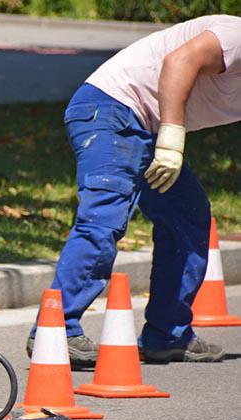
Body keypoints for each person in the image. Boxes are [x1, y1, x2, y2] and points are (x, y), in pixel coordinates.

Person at [29, 15, 241, 368]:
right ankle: (56, 330)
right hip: (110, 109)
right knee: (103, 218)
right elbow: (179, 61)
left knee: (187, 217)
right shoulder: (236, 35)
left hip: (143, 126)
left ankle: (167, 333)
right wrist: (171, 140)